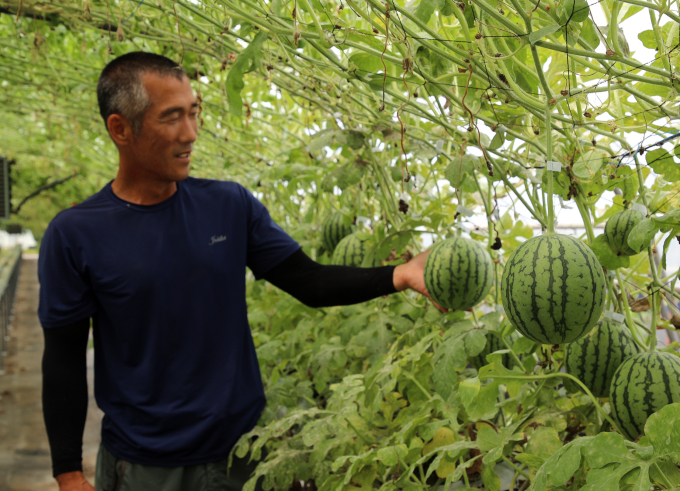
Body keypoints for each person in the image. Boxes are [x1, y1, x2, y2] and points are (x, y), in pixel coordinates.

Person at [39, 52, 438, 491]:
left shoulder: (228, 206)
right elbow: (64, 359)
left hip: (244, 455)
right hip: (145, 466)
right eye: (172, 118)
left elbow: (311, 283)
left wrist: (400, 276)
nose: (190, 134)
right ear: (120, 129)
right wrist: (69, 472)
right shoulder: (76, 234)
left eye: (194, 113)